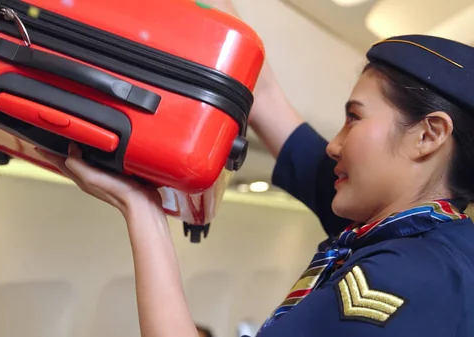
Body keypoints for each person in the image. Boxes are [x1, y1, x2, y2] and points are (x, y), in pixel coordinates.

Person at [38, 0, 474, 335]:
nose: (333, 146)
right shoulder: (395, 226)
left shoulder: (412, 277)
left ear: (429, 135)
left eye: (353, 118)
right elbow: (260, 93)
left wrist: (141, 209)